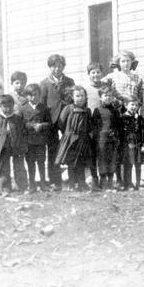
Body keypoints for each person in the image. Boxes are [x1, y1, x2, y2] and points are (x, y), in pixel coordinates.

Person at [40, 54, 76, 191]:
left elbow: (73, 99)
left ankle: (73, 179)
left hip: (67, 118)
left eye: (60, 66)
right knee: (53, 150)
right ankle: (55, 181)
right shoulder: (44, 83)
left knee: (70, 146)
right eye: (54, 66)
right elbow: (42, 104)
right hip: (51, 120)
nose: (57, 69)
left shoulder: (69, 81)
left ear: (63, 66)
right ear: (50, 67)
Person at [54, 86, 93, 191]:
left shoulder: (87, 110)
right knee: (71, 162)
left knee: (81, 162)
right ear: (72, 97)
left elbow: (89, 125)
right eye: (77, 96)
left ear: (85, 97)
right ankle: (71, 183)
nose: (80, 98)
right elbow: (61, 123)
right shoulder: (68, 108)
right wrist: (68, 134)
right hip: (71, 140)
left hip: (83, 140)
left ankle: (81, 183)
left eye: (82, 96)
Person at [0, 94, 28, 195]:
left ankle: (22, 186)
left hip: (16, 146)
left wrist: (23, 145)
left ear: (13, 106)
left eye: (10, 106)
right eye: (5, 106)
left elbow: (22, 133)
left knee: (19, 167)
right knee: (3, 168)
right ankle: (5, 189)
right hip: (3, 148)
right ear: (0, 107)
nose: (8, 109)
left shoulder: (17, 119)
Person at [92, 85, 123, 191]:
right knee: (102, 160)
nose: (108, 98)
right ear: (101, 97)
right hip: (101, 140)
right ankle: (103, 181)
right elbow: (94, 126)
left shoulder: (115, 110)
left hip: (113, 140)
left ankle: (110, 181)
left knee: (112, 160)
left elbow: (118, 125)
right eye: (105, 96)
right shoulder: (97, 110)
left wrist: (115, 135)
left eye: (110, 96)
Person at [21, 83, 50, 192]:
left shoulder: (44, 108)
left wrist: (42, 125)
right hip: (29, 141)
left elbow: (49, 123)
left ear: (39, 95)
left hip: (41, 141)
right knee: (30, 163)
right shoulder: (23, 109)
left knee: (41, 162)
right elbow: (22, 124)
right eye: (30, 95)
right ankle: (32, 184)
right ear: (27, 96)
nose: (33, 97)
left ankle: (43, 184)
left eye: (36, 95)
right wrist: (32, 125)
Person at [120, 96, 143, 190]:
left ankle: (138, 183)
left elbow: (141, 131)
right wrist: (127, 142)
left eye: (136, 105)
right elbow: (122, 133)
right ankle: (128, 183)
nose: (134, 107)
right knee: (128, 164)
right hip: (128, 144)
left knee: (138, 162)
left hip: (137, 142)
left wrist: (142, 143)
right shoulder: (123, 118)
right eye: (132, 104)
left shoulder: (138, 118)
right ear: (126, 105)